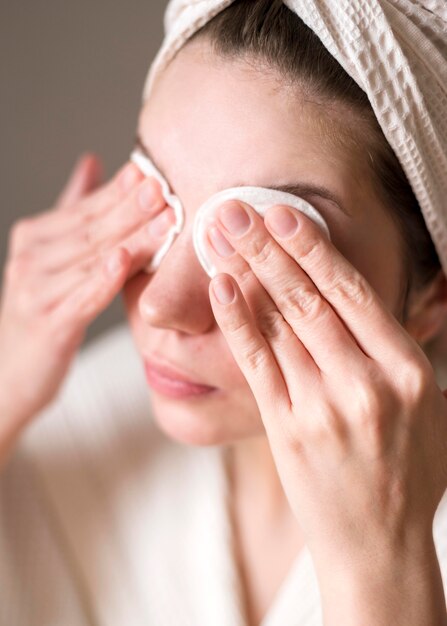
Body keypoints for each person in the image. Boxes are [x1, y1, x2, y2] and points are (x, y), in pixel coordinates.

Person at [1, 0, 447, 624]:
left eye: (265, 244)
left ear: (433, 297)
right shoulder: (84, 421)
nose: (159, 306)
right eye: (158, 200)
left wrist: (385, 577)